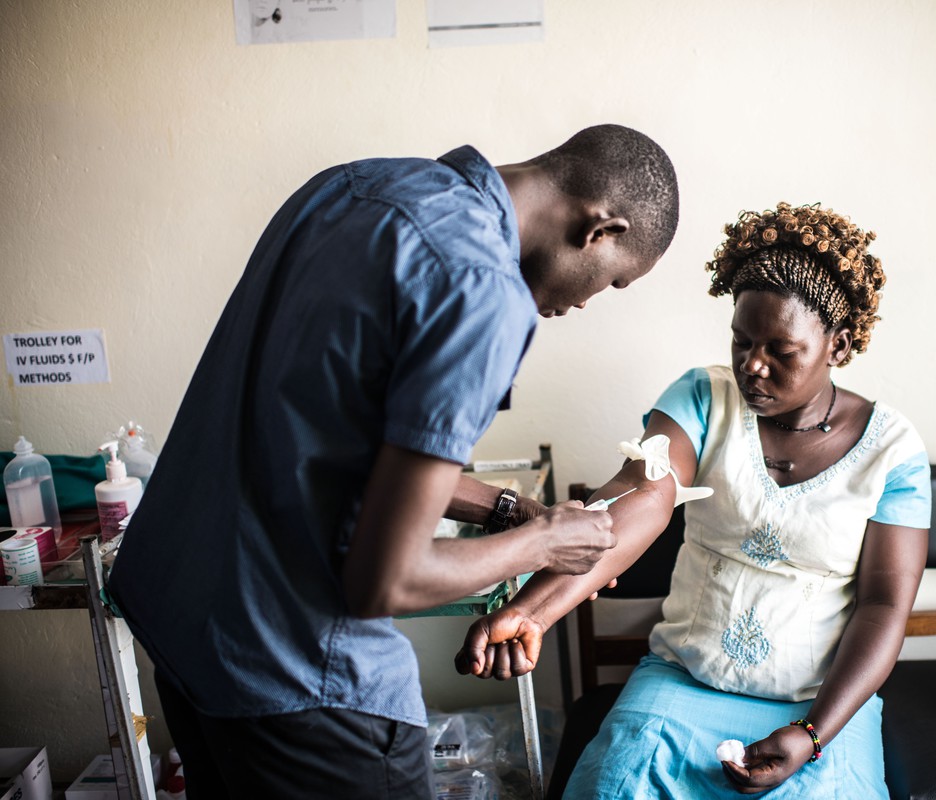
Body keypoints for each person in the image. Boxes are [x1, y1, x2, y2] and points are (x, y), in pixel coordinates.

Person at [106, 124, 680, 800]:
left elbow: (322, 440)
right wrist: (543, 542)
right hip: (294, 675)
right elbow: (385, 582)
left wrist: (505, 510)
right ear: (601, 229)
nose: (584, 302)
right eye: (611, 282)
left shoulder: (355, 186)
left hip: (186, 625)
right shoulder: (482, 293)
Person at [456, 202, 931, 798]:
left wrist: (811, 734)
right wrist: (532, 612)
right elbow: (641, 503)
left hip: (819, 702)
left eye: (781, 352)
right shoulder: (702, 398)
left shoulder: (894, 451)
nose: (753, 366)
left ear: (837, 346)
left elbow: (884, 606)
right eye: (742, 342)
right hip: (684, 680)